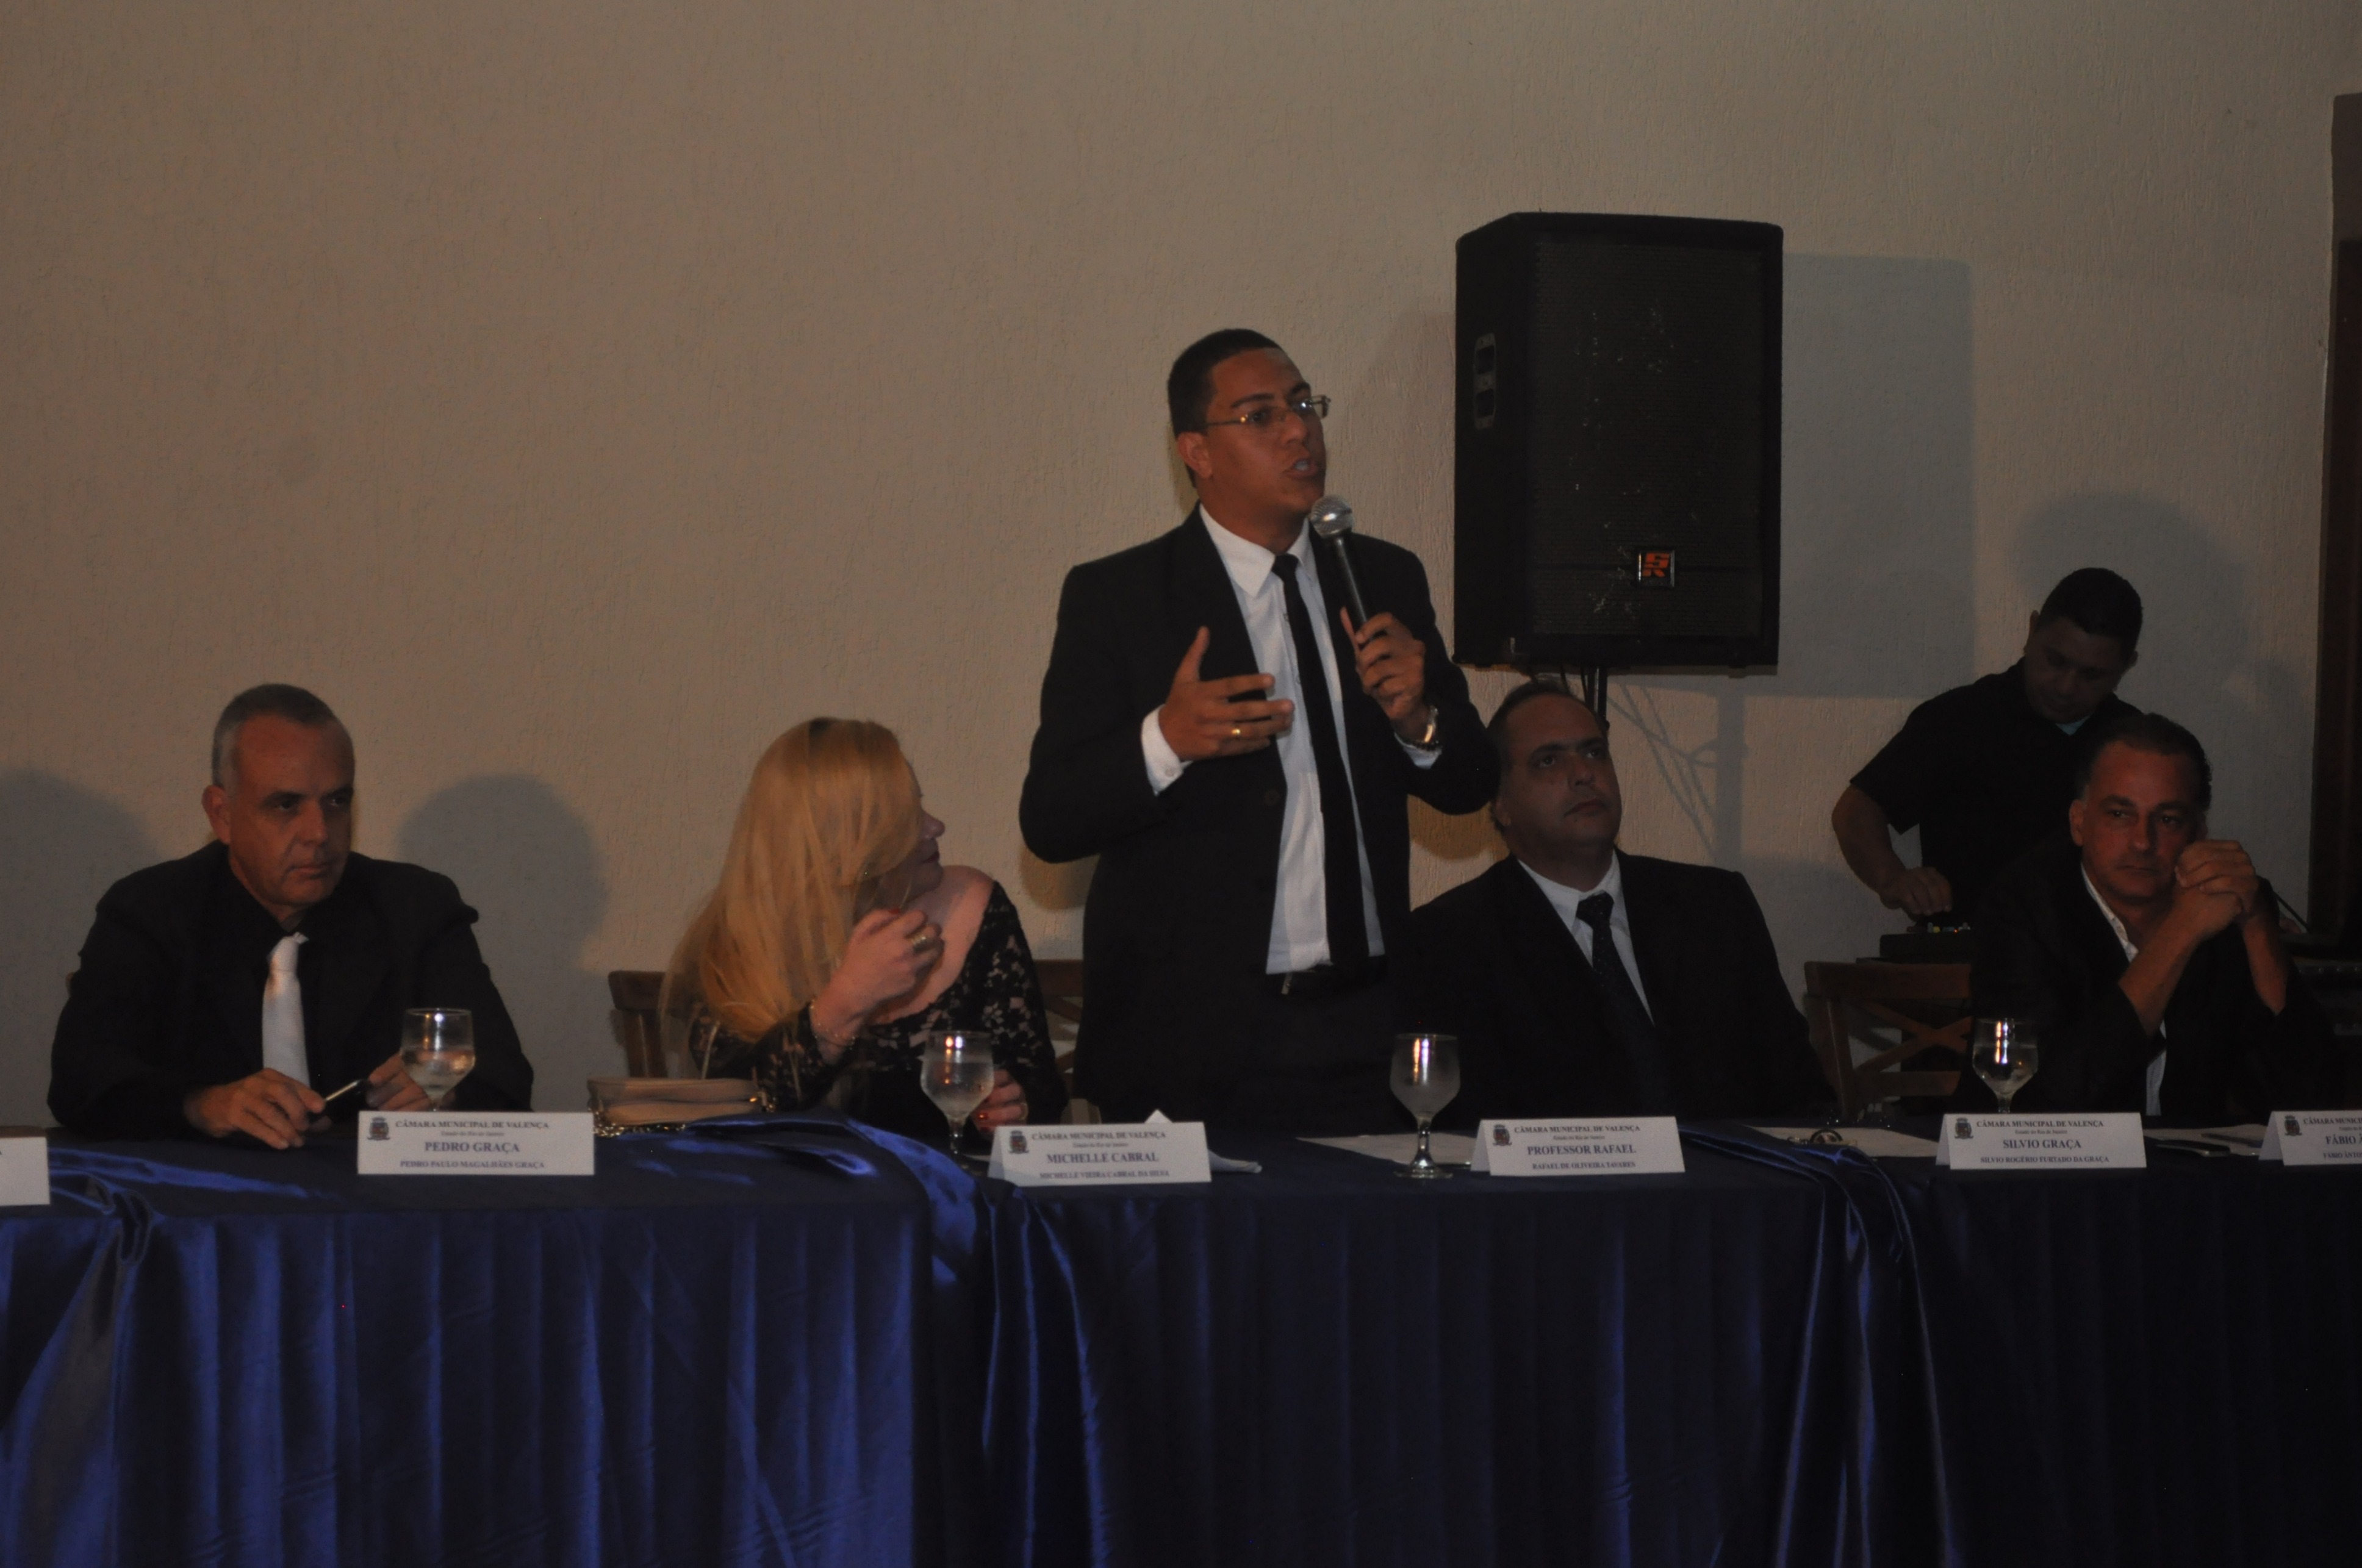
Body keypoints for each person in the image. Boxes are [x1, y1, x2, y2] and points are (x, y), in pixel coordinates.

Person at [1019, 329, 1495, 1130]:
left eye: (1305, 405)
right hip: (1195, 1040)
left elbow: (1471, 783)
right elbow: (1051, 817)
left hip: (1368, 1025)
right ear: (1197, 451)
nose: (1298, 430)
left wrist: (1418, 720)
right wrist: (1164, 740)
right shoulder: (1123, 597)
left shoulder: (1383, 577)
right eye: (1261, 415)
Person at [49, 684, 533, 1145]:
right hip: (204, 1193)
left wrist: (448, 1093)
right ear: (222, 814)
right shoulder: (151, 911)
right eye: (286, 804)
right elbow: (82, 1079)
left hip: (371, 1194)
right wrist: (200, 1105)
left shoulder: (415, 908)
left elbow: (504, 1073)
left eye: (337, 801)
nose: (319, 832)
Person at [1404, 681, 1827, 1123]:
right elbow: (1463, 1123)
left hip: (1730, 1163)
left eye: (1594, 753)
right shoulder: (1452, 939)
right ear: (1501, 804)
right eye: (1549, 760)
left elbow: (1798, 1088)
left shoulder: (1713, 907)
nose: (1583, 774)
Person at [665, 718, 1066, 1141]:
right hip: (800, 1183)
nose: (935, 826)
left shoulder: (972, 904)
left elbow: (1042, 1096)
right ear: (846, 842)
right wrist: (848, 999)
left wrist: (1013, 1109)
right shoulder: (735, 944)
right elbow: (738, 1115)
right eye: (906, 817)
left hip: (941, 1182)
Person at [1964, 712, 2337, 1119]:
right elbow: (2046, 1099)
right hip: (2036, 1157)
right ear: (2079, 823)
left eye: (2168, 819)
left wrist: (2257, 926)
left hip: (2191, 1158)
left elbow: (2311, 1099)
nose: (2143, 842)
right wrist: (2180, 934)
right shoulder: (2023, 904)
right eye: (2120, 814)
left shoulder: (2225, 901)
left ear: (2198, 832)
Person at [1834, 568, 2144, 925]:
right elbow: (1857, 810)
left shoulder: (2139, 745)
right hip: (1971, 948)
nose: (2065, 686)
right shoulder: (1961, 719)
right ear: (2031, 631)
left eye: (2091, 675)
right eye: (2055, 661)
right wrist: (1893, 879)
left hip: (2101, 949)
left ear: (2126, 666)